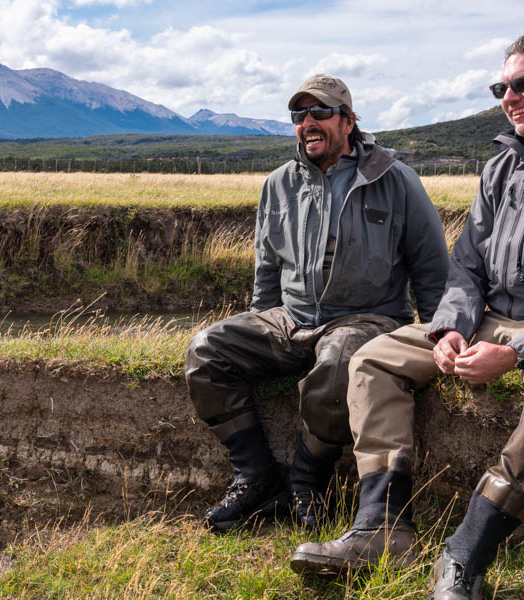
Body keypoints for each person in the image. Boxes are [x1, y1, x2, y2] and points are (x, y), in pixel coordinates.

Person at [290, 30, 524, 599]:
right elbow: (467, 269)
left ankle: (465, 555)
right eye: (501, 86)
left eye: (521, 83)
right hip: (494, 317)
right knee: (371, 359)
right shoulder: (499, 169)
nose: (508, 96)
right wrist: (451, 326)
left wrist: (516, 352)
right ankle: (381, 527)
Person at [184, 74, 449, 532]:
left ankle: (307, 481)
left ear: (348, 121)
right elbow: (267, 267)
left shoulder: (395, 179)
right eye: (299, 115)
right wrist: (261, 319)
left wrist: (441, 339)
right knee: (206, 349)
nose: (307, 122)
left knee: (338, 361)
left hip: (367, 319)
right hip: (292, 319)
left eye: (320, 112)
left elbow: (432, 271)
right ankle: (257, 477)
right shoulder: (278, 184)